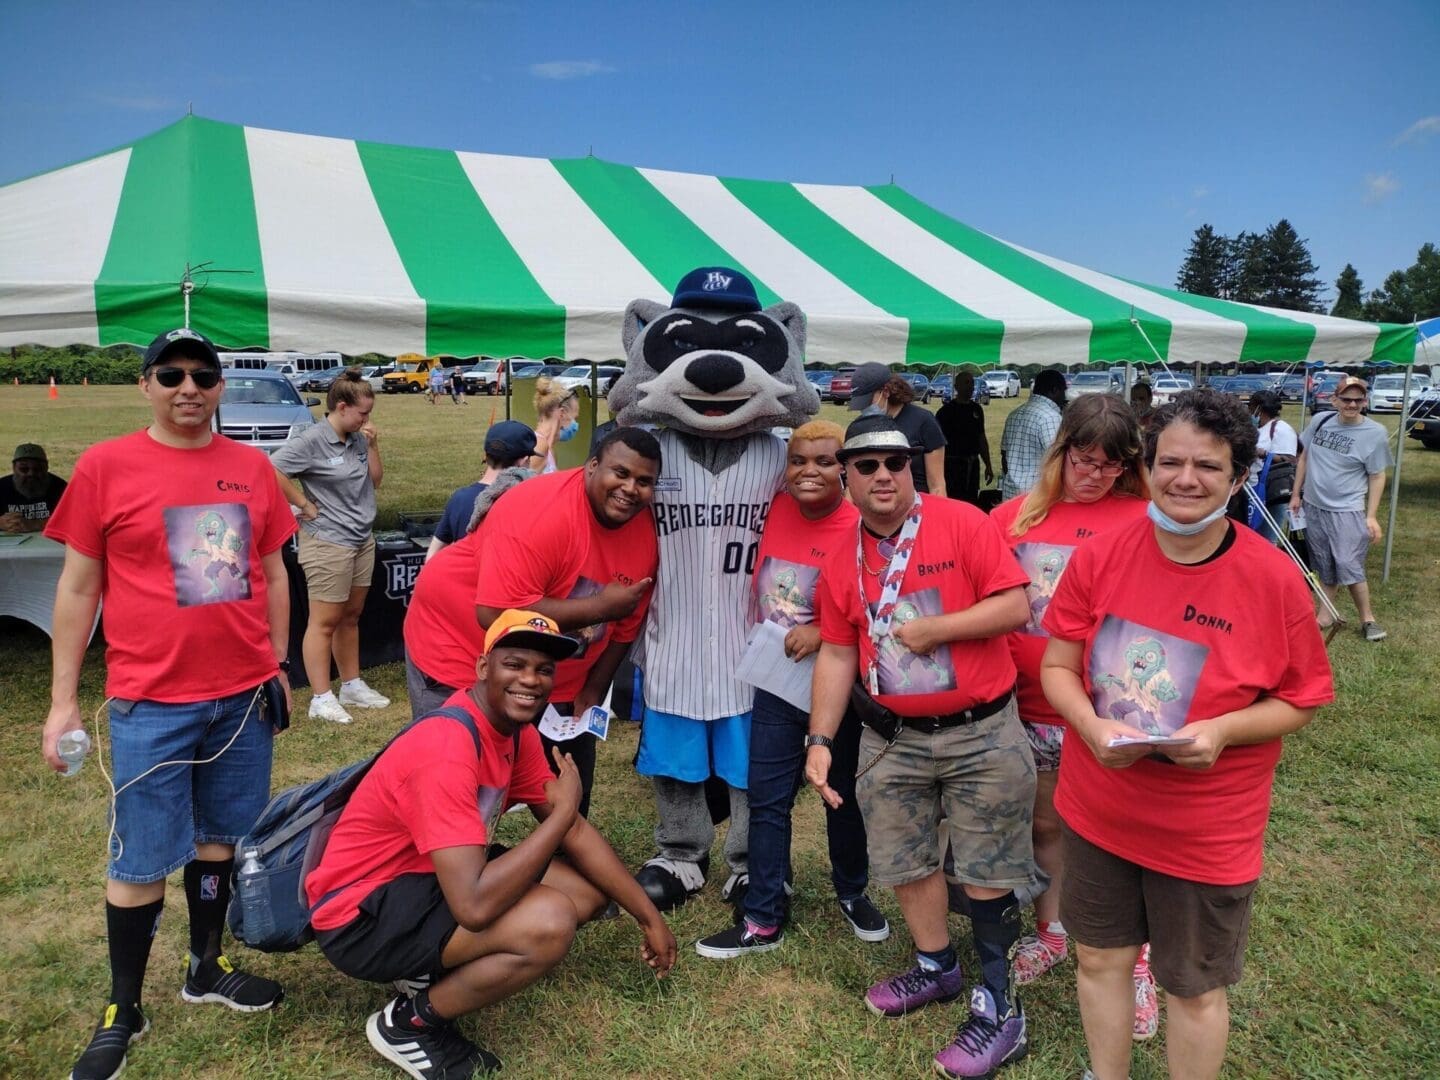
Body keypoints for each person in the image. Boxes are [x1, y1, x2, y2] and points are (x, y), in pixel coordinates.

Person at [1039, 387, 1334, 1080]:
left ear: (1238, 478)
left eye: (1208, 466)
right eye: (1171, 461)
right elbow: (1058, 664)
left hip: (1205, 830)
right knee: (1099, 957)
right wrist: (1089, 724)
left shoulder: (1273, 580)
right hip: (1098, 809)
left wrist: (1225, 730)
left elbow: (1303, 699)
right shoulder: (1104, 554)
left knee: (1193, 987)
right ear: (1151, 464)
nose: (1185, 479)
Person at [42, 328, 295, 1080]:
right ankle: (125, 1005)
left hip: (243, 697)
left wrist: (277, 664)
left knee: (222, 840)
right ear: (146, 385)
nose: (190, 387)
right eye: (172, 374)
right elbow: (79, 588)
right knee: (141, 856)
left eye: (204, 375)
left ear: (221, 387)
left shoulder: (252, 468)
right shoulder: (105, 467)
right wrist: (61, 703)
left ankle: (205, 966)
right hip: (150, 699)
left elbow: (274, 572)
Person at [308, 609, 677, 1079]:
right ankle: (409, 1024)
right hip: (359, 916)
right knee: (550, 920)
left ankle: (428, 968)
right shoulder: (448, 747)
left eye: (544, 670)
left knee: (585, 893)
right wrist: (564, 811)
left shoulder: (511, 732)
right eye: (515, 664)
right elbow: (476, 907)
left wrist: (648, 916)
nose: (531, 680)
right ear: (484, 669)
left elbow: (577, 836)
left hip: (423, 879)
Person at [806, 414, 1035, 1079]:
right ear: (845, 474)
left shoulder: (963, 522)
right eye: (867, 464)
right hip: (891, 736)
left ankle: (1000, 1009)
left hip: (980, 730)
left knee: (988, 872)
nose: (883, 475)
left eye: (896, 462)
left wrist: (940, 629)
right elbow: (837, 651)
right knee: (904, 861)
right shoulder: (838, 554)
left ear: (912, 467)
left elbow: (1015, 605)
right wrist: (820, 738)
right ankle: (937, 965)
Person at [988, 394, 1154, 1038]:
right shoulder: (1017, 516)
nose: (1095, 475)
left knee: (1117, 839)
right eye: (1084, 460)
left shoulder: (1147, 519)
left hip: (1109, 714)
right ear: (1061, 453)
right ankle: (1053, 931)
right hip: (1024, 704)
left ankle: (1137, 967)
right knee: (1044, 825)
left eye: (1112, 466)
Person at [695, 421, 888, 959]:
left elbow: (879, 610)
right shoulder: (776, 508)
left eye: (824, 461)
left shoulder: (861, 526)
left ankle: (853, 891)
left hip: (839, 684)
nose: (808, 471)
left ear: (845, 469)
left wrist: (821, 629)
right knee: (767, 796)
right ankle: (762, 915)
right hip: (779, 682)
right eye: (798, 460)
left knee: (839, 794)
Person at [405, 428, 661, 817]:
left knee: (567, 791)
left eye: (644, 482)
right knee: (456, 781)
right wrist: (601, 607)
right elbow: (495, 613)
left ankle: (564, 864)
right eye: (620, 473)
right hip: (459, 641)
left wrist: (594, 687)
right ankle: (442, 872)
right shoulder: (539, 510)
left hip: (551, 666)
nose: (630, 489)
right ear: (591, 466)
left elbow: (626, 628)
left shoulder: (645, 534)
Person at [272, 370, 388, 724]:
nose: (367, 420)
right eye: (363, 413)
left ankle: (351, 684)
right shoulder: (312, 440)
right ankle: (321, 697)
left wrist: (372, 444)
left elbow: (376, 480)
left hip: (360, 538)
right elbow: (270, 469)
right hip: (327, 541)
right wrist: (304, 506)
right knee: (324, 622)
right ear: (341, 406)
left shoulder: (356, 438)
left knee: (349, 616)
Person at [1288, 376, 1391, 641]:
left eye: (1358, 399)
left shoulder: (1375, 433)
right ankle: (1325, 615)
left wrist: (1371, 516)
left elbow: (1377, 475)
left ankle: (1368, 620)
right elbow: (1304, 458)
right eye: (1347, 399)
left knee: (1348, 563)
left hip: (1347, 509)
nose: (1352, 404)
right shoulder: (1319, 421)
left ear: (1365, 402)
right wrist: (1296, 494)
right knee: (1324, 562)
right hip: (1313, 505)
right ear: (1335, 400)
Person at [426, 421, 536, 560]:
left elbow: (432, 556)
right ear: (523, 461)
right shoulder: (524, 503)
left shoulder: (459, 498)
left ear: (486, 454)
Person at [847, 363, 947, 496]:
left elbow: (937, 486)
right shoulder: (860, 427)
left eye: (867, 402)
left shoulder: (924, 421)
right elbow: (852, 485)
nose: (863, 409)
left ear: (886, 392)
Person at [1000, 370, 1066, 501]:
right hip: (1036, 499)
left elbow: (1004, 455)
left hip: (1010, 495)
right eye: (1063, 391)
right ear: (1054, 390)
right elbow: (1058, 461)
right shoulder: (1051, 418)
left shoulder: (1014, 414)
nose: (1064, 396)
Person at [1245, 390, 1297, 544]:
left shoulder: (1281, 429)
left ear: (1258, 408)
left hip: (1271, 492)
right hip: (1252, 488)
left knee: (1266, 537)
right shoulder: (1256, 428)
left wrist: (1262, 453)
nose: (1248, 410)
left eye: (1250, 406)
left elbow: (1289, 460)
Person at [935, 374, 993, 505]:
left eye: (972, 383)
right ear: (956, 387)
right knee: (954, 501)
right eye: (967, 383)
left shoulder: (976, 409)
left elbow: (981, 438)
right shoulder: (946, 412)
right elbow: (937, 445)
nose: (970, 387)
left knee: (972, 500)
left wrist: (988, 465)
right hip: (952, 465)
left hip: (972, 464)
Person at [0, 441, 68, 532]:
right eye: (24, 469)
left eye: (38, 469)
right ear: (14, 468)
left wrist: (35, 524)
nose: (31, 473)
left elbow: (74, 519)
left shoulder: (61, 488)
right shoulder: (2, 487)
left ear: (47, 467)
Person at [531, 377, 580, 473]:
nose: (575, 425)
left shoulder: (549, 451)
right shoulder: (538, 447)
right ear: (562, 413)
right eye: (574, 418)